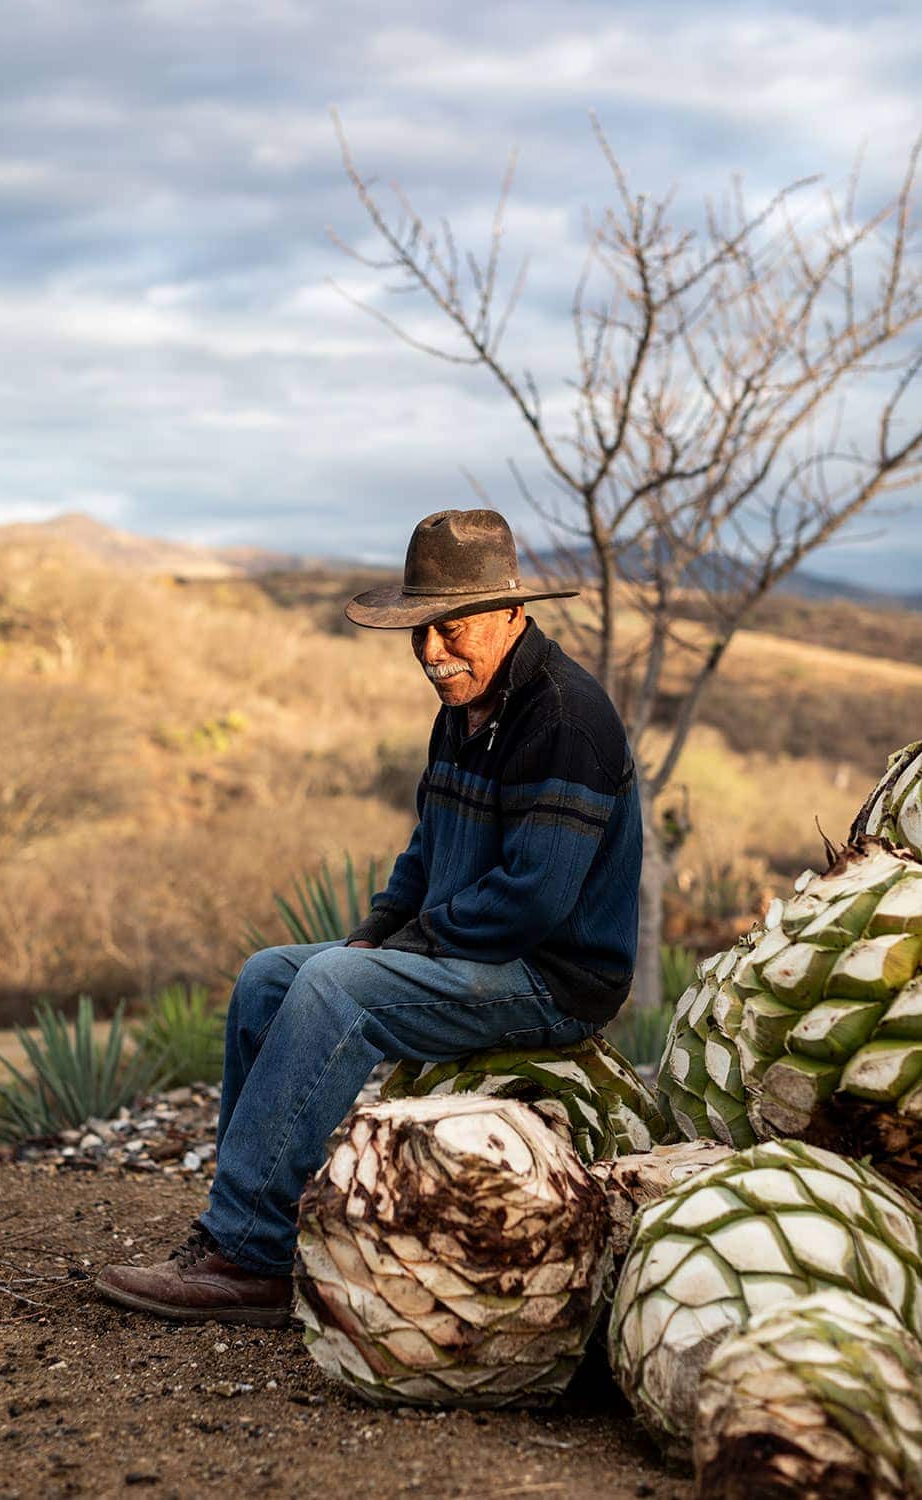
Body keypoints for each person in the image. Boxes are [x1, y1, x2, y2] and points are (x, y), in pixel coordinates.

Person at [96, 509, 643, 1325]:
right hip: (478, 950)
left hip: (551, 975)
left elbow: (534, 899)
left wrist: (402, 948)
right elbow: (429, 846)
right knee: (270, 978)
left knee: (336, 990)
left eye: (451, 629)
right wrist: (381, 927)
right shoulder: (464, 710)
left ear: (511, 614)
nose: (431, 652)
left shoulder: (564, 720)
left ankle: (244, 1259)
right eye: (420, 631)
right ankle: (261, 1231)